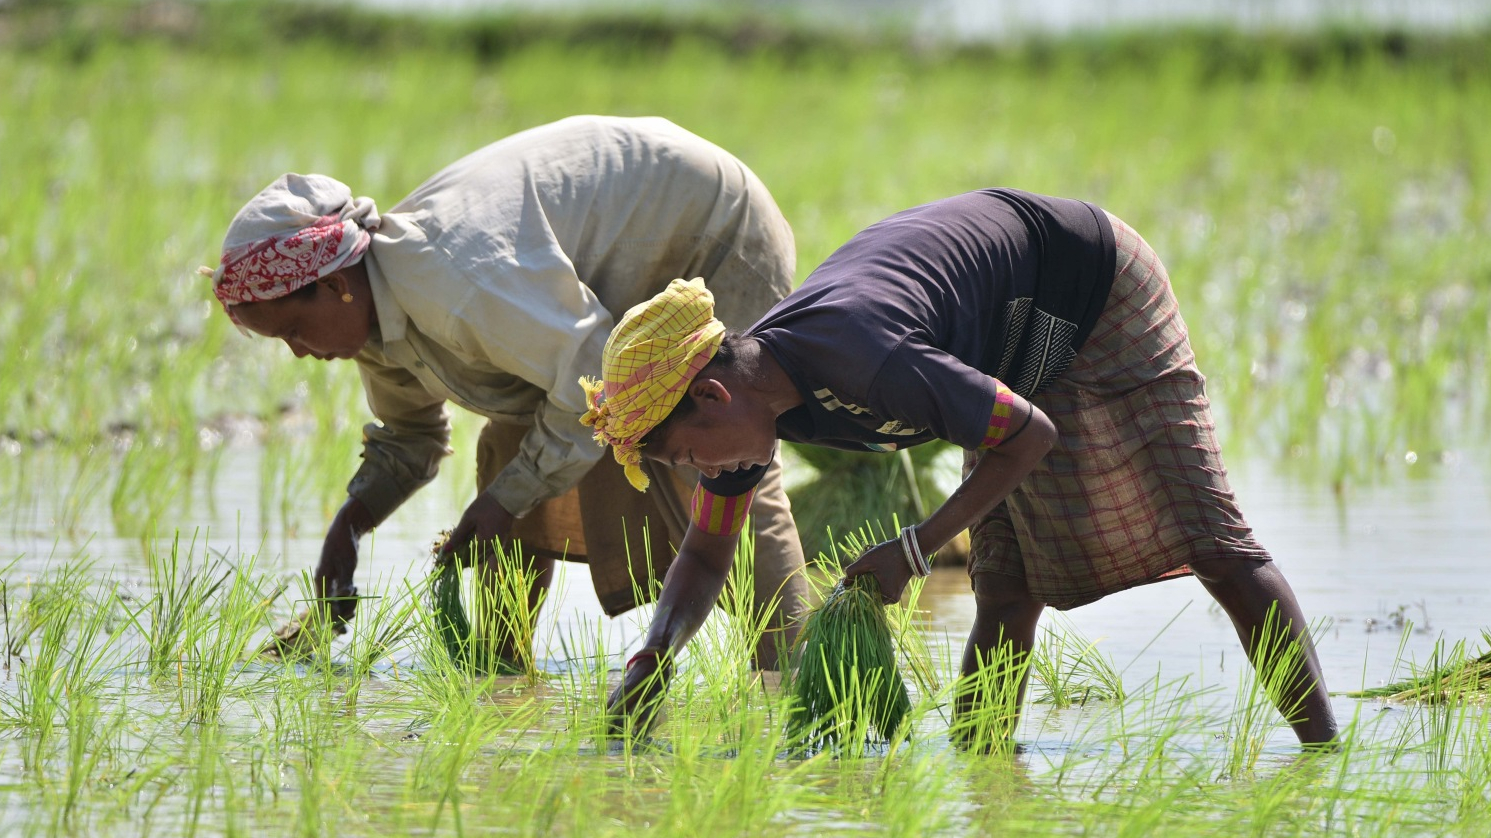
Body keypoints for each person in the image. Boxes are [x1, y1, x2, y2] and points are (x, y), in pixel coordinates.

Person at [584, 188, 1339, 746]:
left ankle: (1321, 752)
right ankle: (985, 771)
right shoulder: (752, 406)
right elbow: (709, 550)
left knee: (1213, 542)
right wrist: (655, 651)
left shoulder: (859, 355)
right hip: (998, 345)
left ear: (710, 396)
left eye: (683, 454)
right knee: (1005, 582)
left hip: (1092, 288)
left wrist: (913, 550)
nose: (695, 471)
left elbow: (1029, 434)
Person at [201, 115, 809, 669]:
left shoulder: (453, 281)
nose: (300, 352)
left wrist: (502, 501)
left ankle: (797, 682)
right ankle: (500, 669)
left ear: (335, 285)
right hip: (612, 277)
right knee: (510, 454)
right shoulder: (375, 322)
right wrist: (350, 526)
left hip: (709, 231)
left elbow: (591, 382)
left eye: (294, 330)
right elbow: (411, 438)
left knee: (724, 465)